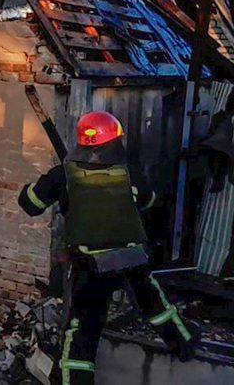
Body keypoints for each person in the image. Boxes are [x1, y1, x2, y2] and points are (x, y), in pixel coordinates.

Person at [18, 111, 197, 384]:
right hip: (131, 259)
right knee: (156, 306)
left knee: (82, 331)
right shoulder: (129, 173)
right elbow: (150, 200)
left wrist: (36, 189)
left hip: (90, 267)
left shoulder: (62, 176)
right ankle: (183, 344)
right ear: (115, 140)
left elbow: (31, 204)